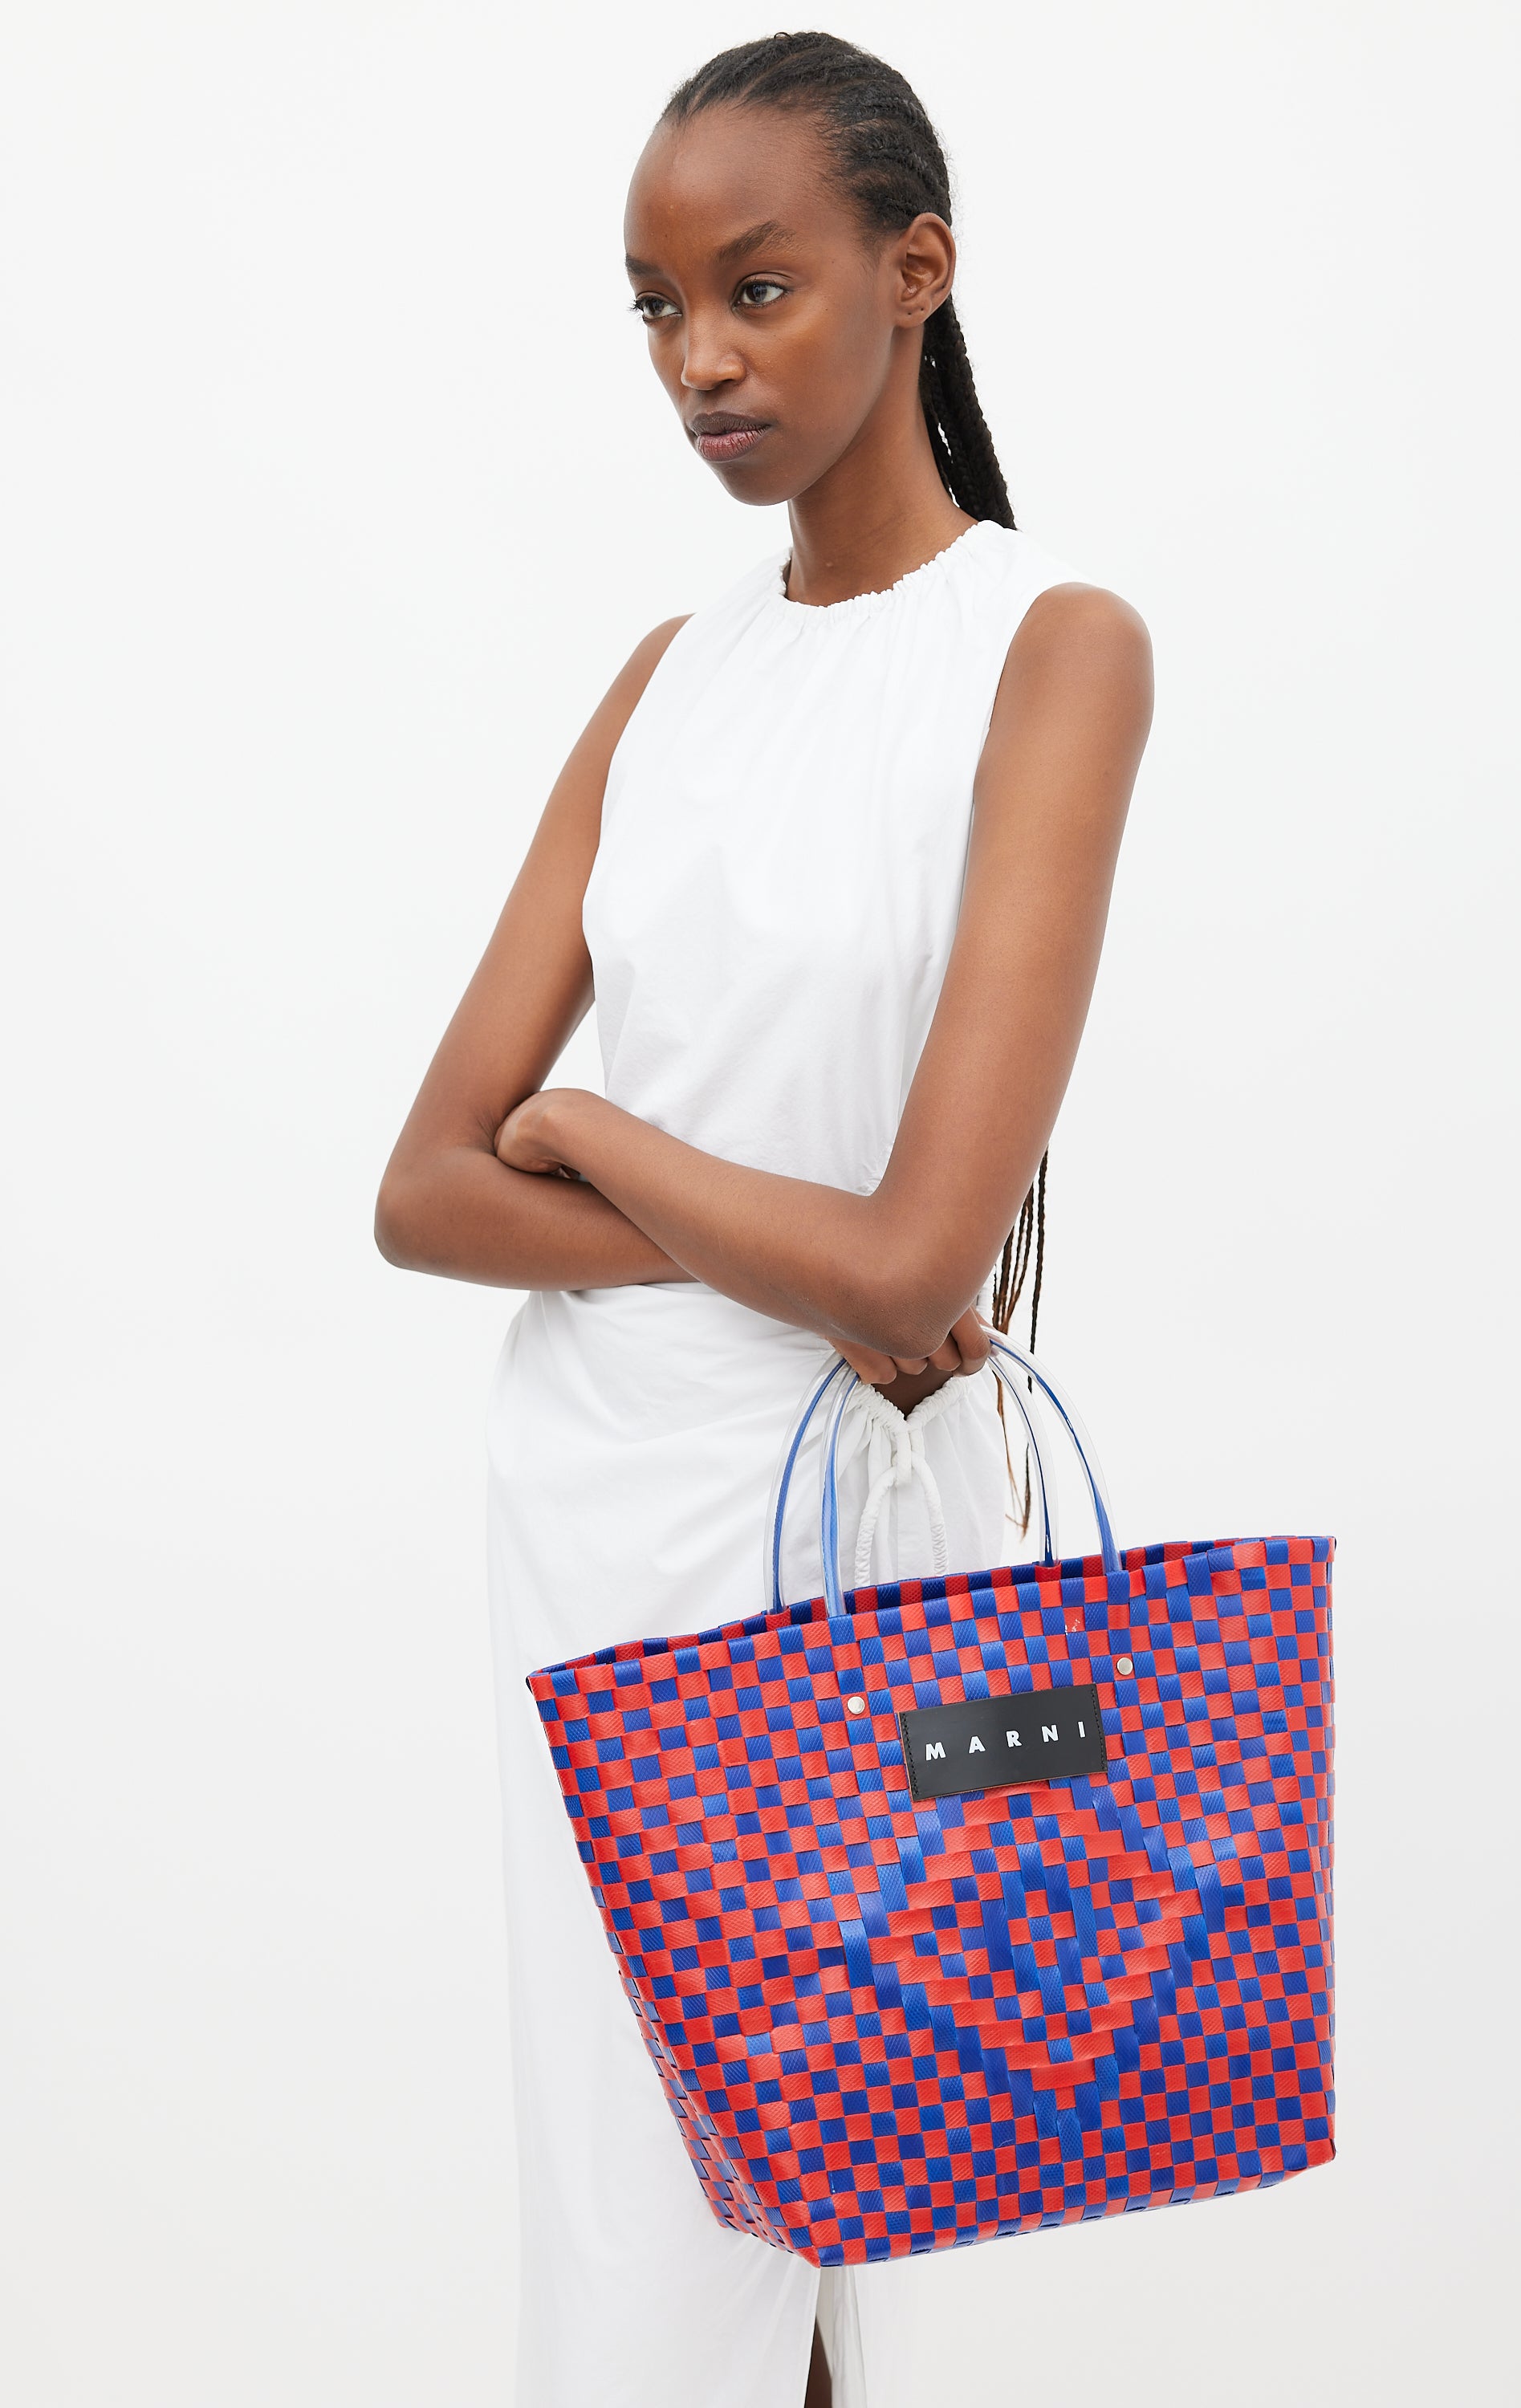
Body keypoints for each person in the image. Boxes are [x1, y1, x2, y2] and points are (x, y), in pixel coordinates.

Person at [376, 31, 1152, 2408]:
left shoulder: (1052, 651)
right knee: (640, 2221)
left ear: (916, 274)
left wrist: (598, 1135)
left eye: (757, 286)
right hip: (597, 1518)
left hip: (866, 1527)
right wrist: (765, 1235)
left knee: (880, 2196)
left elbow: (921, 1265)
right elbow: (422, 1190)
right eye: (655, 307)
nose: (698, 359)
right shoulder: (670, 680)